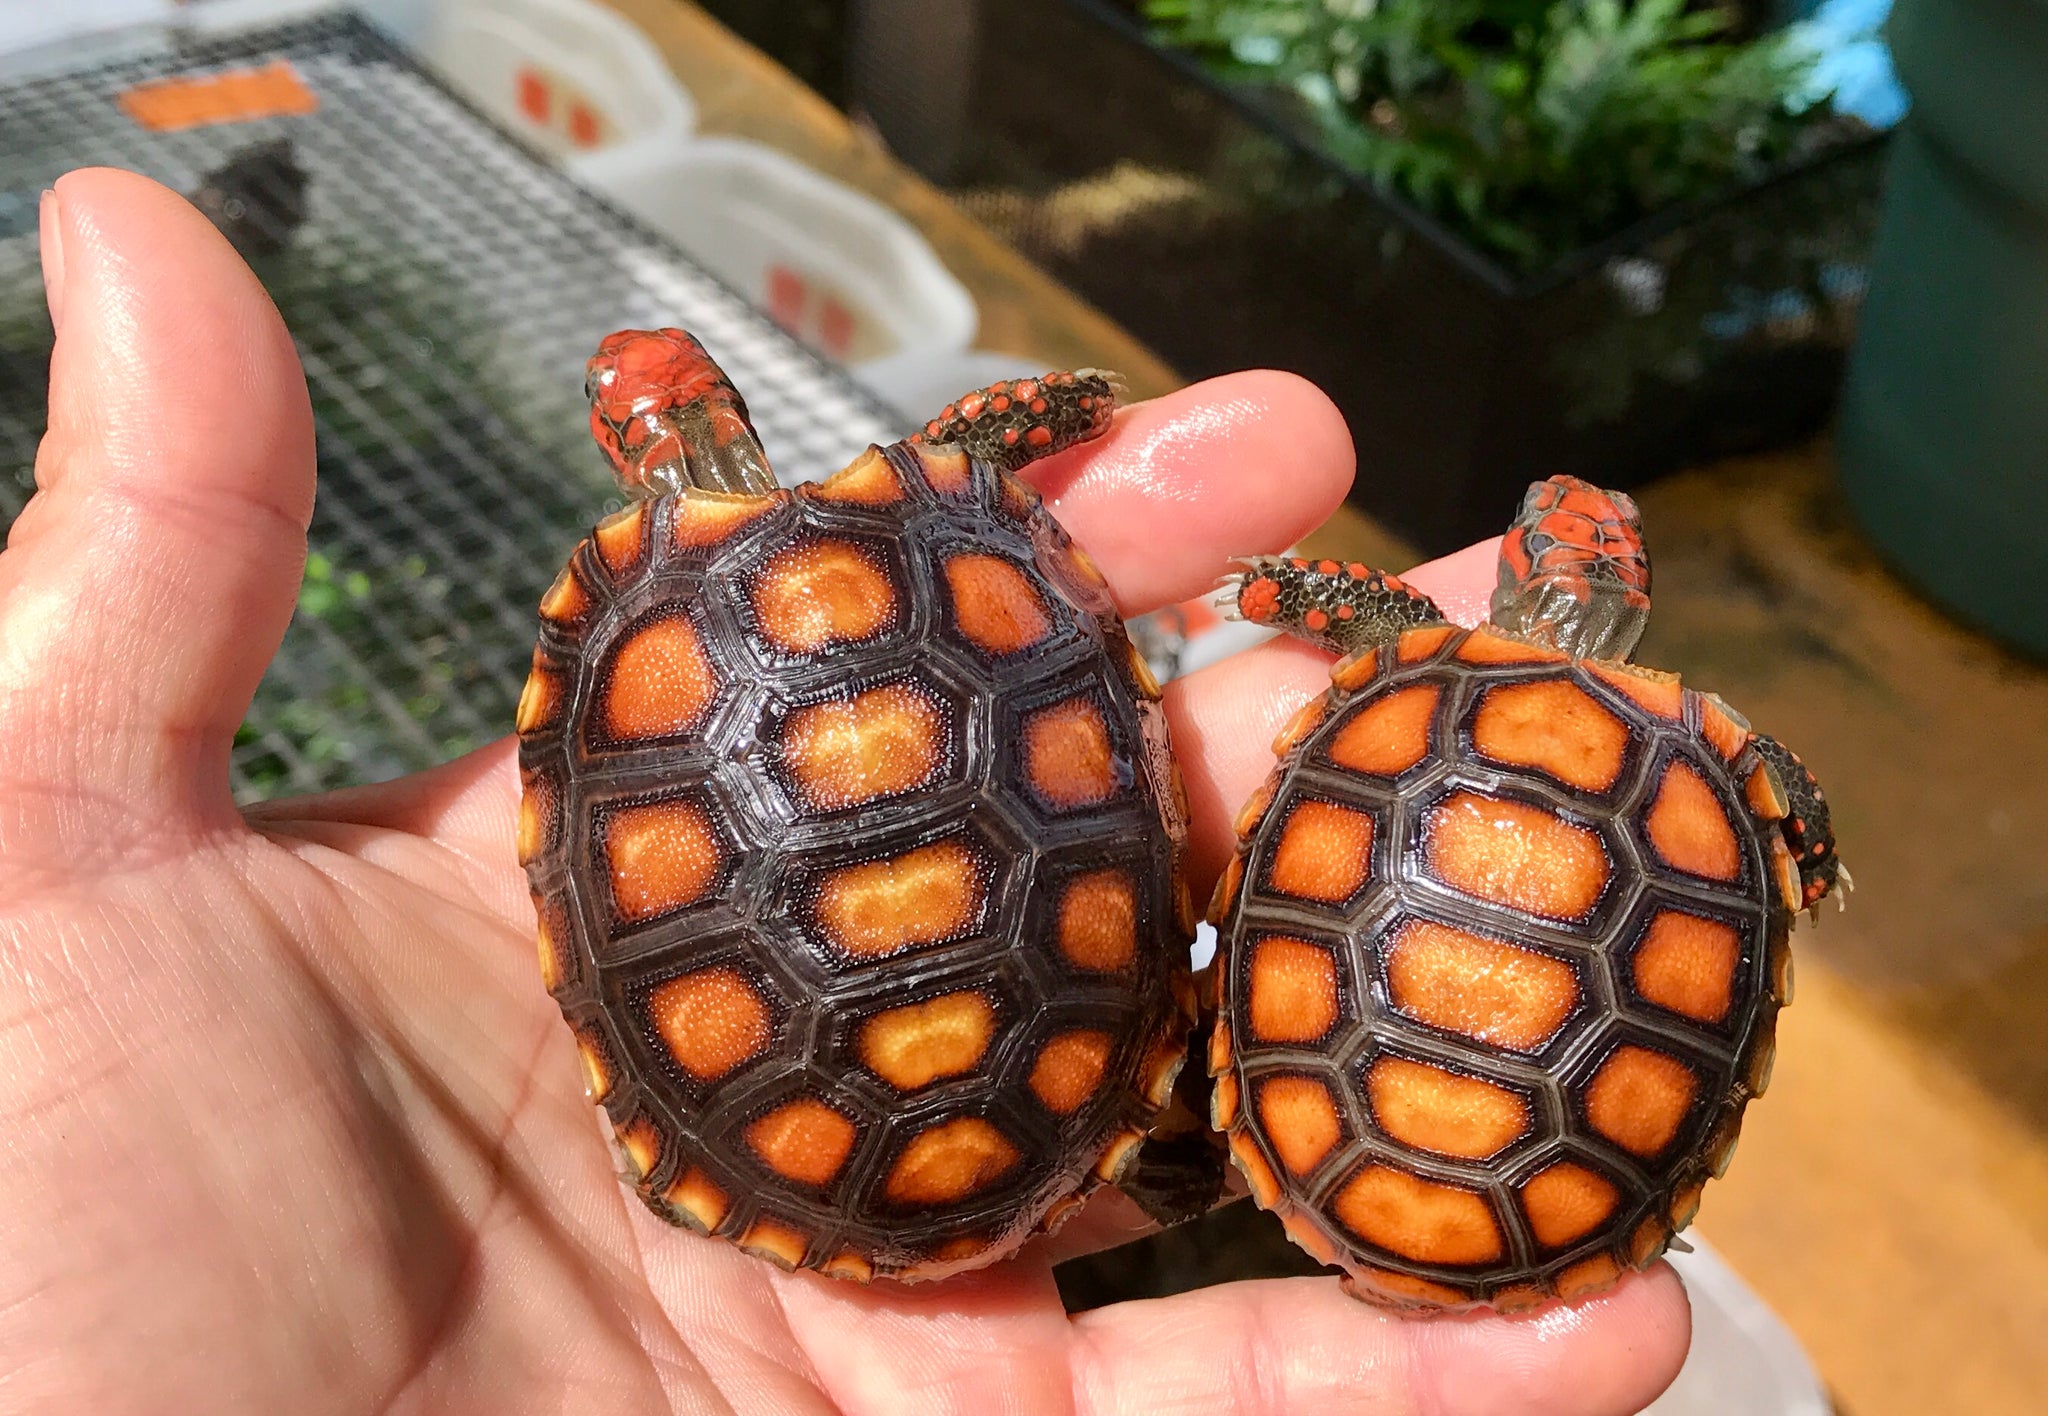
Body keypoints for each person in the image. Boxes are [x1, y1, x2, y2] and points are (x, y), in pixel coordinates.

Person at [0, 169, 1689, 1413]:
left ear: (650, 440)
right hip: (1041, 1078)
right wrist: (1038, 433)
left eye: (642, 406)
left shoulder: (629, 618)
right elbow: (1011, 498)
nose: (650, 414)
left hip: (790, 1146)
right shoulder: (946, 482)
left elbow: (593, 816)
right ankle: (1176, 1158)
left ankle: (1168, 1159)